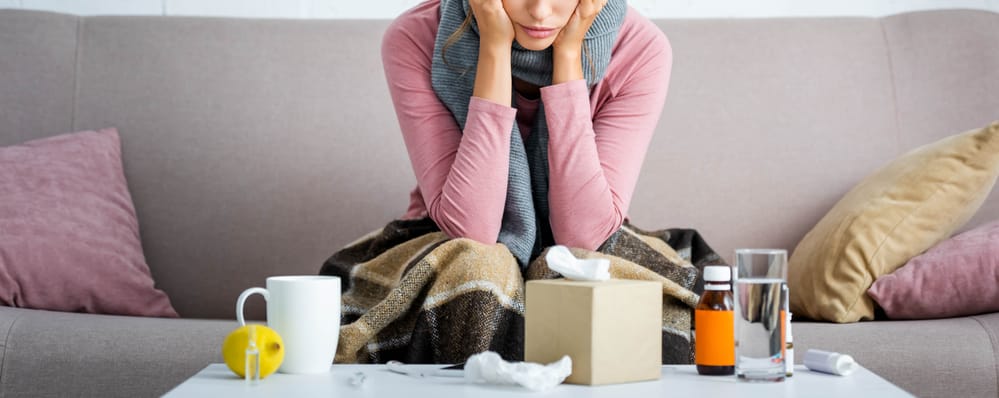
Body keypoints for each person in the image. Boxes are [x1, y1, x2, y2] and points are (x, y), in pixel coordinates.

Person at [321, 0, 720, 365]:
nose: (541, 11)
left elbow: (584, 235)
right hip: (447, 239)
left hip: (594, 234)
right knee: (480, 270)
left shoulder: (639, 48)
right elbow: (472, 228)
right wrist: (493, 46)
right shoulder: (416, 37)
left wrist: (569, 56)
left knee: (581, 272)